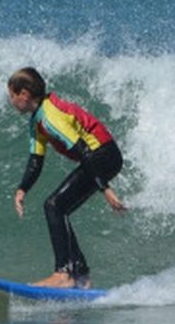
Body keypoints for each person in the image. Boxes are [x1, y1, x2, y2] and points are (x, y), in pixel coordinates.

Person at [7, 67, 125, 289]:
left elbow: (83, 150)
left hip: (102, 154)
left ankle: (64, 274)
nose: (11, 102)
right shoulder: (37, 120)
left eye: (11, 96)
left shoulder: (51, 116)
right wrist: (22, 189)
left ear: (23, 94)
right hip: (98, 157)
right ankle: (80, 276)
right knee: (58, 208)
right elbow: (36, 159)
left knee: (54, 206)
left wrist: (105, 189)